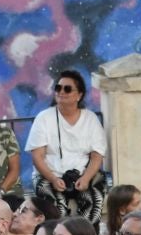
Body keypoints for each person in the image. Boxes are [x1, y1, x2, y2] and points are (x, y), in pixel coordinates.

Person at [27, 68, 108, 220]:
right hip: (48, 175)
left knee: (92, 204)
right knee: (57, 211)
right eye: (58, 88)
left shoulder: (90, 119)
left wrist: (85, 178)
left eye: (67, 89)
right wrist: (53, 179)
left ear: (79, 95)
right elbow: (37, 157)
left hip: (83, 175)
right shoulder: (43, 118)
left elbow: (97, 156)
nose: (61, 92)